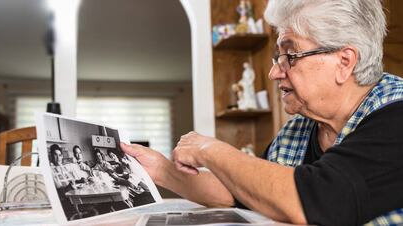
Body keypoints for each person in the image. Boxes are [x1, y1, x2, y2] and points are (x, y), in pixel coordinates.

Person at [120, 1, 403, 225]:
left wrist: (208, 148)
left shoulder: (396, 114)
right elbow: (241, 192)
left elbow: (321, 199)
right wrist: (162, 171)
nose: (273, 72)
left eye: (290, 55)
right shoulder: (298, 130)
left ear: (344, 62)